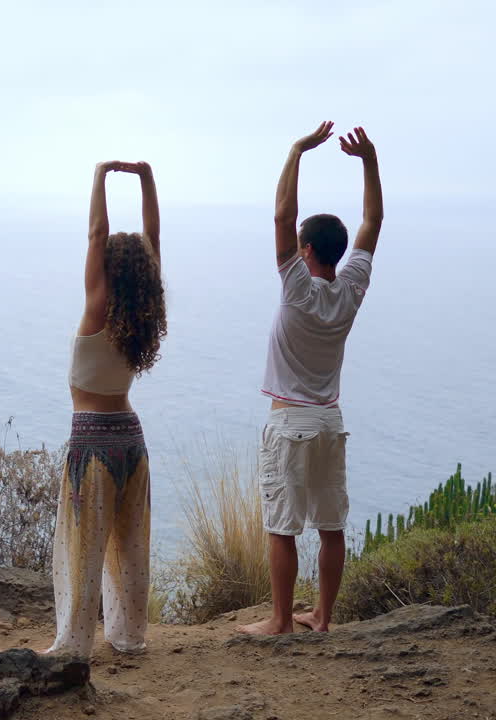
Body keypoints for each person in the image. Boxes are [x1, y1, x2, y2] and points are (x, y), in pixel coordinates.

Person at [237, 122, 383, 635]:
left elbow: (282, 213)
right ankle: (322, 618)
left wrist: (297, 151)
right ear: (337, 252)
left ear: (305, 251)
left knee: (282, 527)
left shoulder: (297, 289)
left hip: (290, 422)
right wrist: (369, 161)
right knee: (331, 525)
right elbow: (372, 220)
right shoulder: (350, 290)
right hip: (330, 423)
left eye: (298, 245)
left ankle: (279, 621)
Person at [45, 160, 166, 658]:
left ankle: (75, 644)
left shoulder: (98, 307)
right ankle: (128, 636)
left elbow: (96, 233)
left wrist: (99, 174)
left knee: (84, 549)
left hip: (92, 440)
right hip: (131, 439)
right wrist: (146, 178)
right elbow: (153, 239)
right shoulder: (141, 313)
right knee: (129, 546)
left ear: (107, 271)